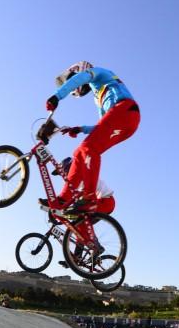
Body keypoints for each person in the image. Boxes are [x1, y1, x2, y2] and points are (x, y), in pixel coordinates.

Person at [35, 61, 140, 214]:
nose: (78, 91)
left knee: (88, 148)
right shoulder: (98, 98)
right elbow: (101, 127)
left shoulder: (100, 73)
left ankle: (89, 198)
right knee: (79, 153)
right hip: (125, 122)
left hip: (125, 110)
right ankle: (63, 200)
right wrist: (80, 129)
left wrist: (57, 96)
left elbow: (81, 78)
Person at [45, 157, 117, 268]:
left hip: (105, 201)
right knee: (79, 226)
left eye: (62, 172)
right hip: (102, 203)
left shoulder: (80, 175)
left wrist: (58, 209)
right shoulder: (75, 180)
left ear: (69, 168)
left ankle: (96, 247)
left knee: (78, 219)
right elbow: (72, 201)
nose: (62, 176)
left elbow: (71, 200)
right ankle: (76, 258)